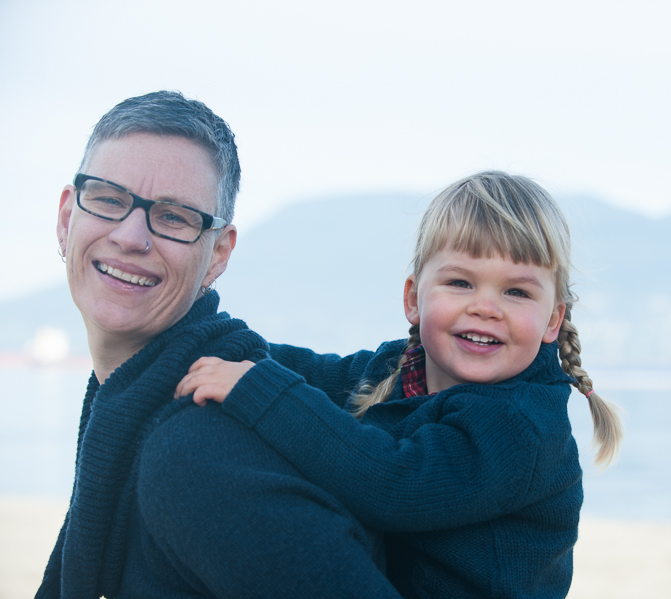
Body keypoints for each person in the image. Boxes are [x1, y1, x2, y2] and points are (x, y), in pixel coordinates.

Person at [177, 171, 624, 598]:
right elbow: (314, 373)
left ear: (552, 319)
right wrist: (220, 343)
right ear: (413, 298)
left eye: (517, 292)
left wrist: (260, 391)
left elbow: (394, 485)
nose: (486, 307)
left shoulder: (522, 428)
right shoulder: (401, 367)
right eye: (460, 282)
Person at [38, 91, 401, 598]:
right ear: (65, 218)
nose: (130, 236)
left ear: (217, 255)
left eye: (173, 217)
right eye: (108, 199)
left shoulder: (198, 455)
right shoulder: (133, 405)